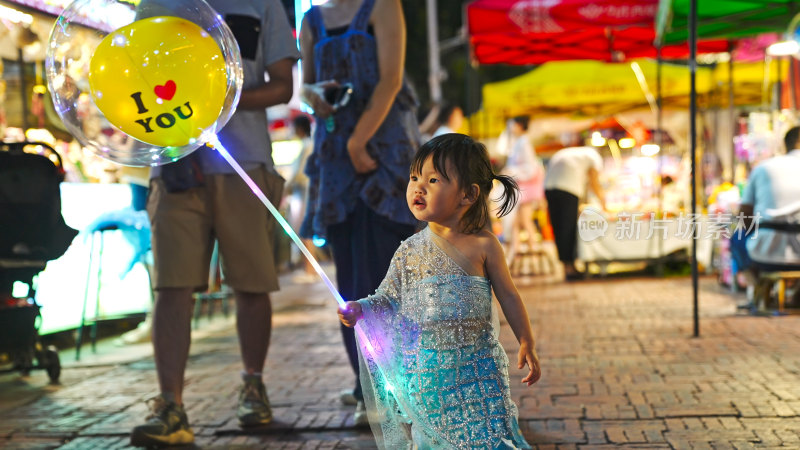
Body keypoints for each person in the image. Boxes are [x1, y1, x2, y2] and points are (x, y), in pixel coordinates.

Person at [130, 0, 300, 446]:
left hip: (244, 161)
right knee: (172, 285)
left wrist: (217, 100)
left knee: (251, 281)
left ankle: (253, 386)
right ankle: (171, 404)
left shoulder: (262, 4)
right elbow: (132, 76)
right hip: (174, 163)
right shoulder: (156, 3)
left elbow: (283, 85)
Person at [338, 134, 541, 449]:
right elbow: (388, 299)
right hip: (429, 378)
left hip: (478, 368)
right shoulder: (409, 251)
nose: (418, 187)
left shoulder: (484, 245)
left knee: (486, 436)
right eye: (414, 177)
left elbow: (509, 296)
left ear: (468, 194)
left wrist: (526, 340)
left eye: (433, 180)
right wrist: (361, 308)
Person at [298, 0, 421, 426]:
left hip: (382, 153)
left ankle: (406, 387)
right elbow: (305, 89)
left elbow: (390, 80)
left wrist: (358, 139)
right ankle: (368, 387)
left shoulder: (383, 6)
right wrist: (315, 99)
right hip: (334, 162)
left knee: (394, 275)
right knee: (350, 282)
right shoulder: (311, 19)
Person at [731, 126, 800, 303]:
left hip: (765, 256)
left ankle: (757, 286)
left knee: (737, 237)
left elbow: (744, 215)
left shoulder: (763, 168)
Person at [543, 139, 606, 280]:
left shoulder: (574, 153)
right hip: (568, 188)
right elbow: (594, 182)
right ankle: (570, 268)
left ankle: (567, 266)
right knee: (568, 227)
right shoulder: (594, 156)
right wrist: (603, 201)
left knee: (558, 227)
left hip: (549, 187)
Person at [501, 116, 545, 267]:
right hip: (521, 188)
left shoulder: (524, 144)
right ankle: (518, 253)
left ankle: (532, 254)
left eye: (513, 125)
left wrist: (512, 171)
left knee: (524, 221)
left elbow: (530, 168)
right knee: (517, 222)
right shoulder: (519, 143)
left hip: (525, 189)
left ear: (519, 126)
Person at [286, 115, 319, 283]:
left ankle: (310, 270)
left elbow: (299, 174)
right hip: (305, 191)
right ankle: (310, 269)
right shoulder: (308, 144)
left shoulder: (307, 146)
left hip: (304, 192)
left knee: (305, 232)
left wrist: (285, 189)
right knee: (306, 232)